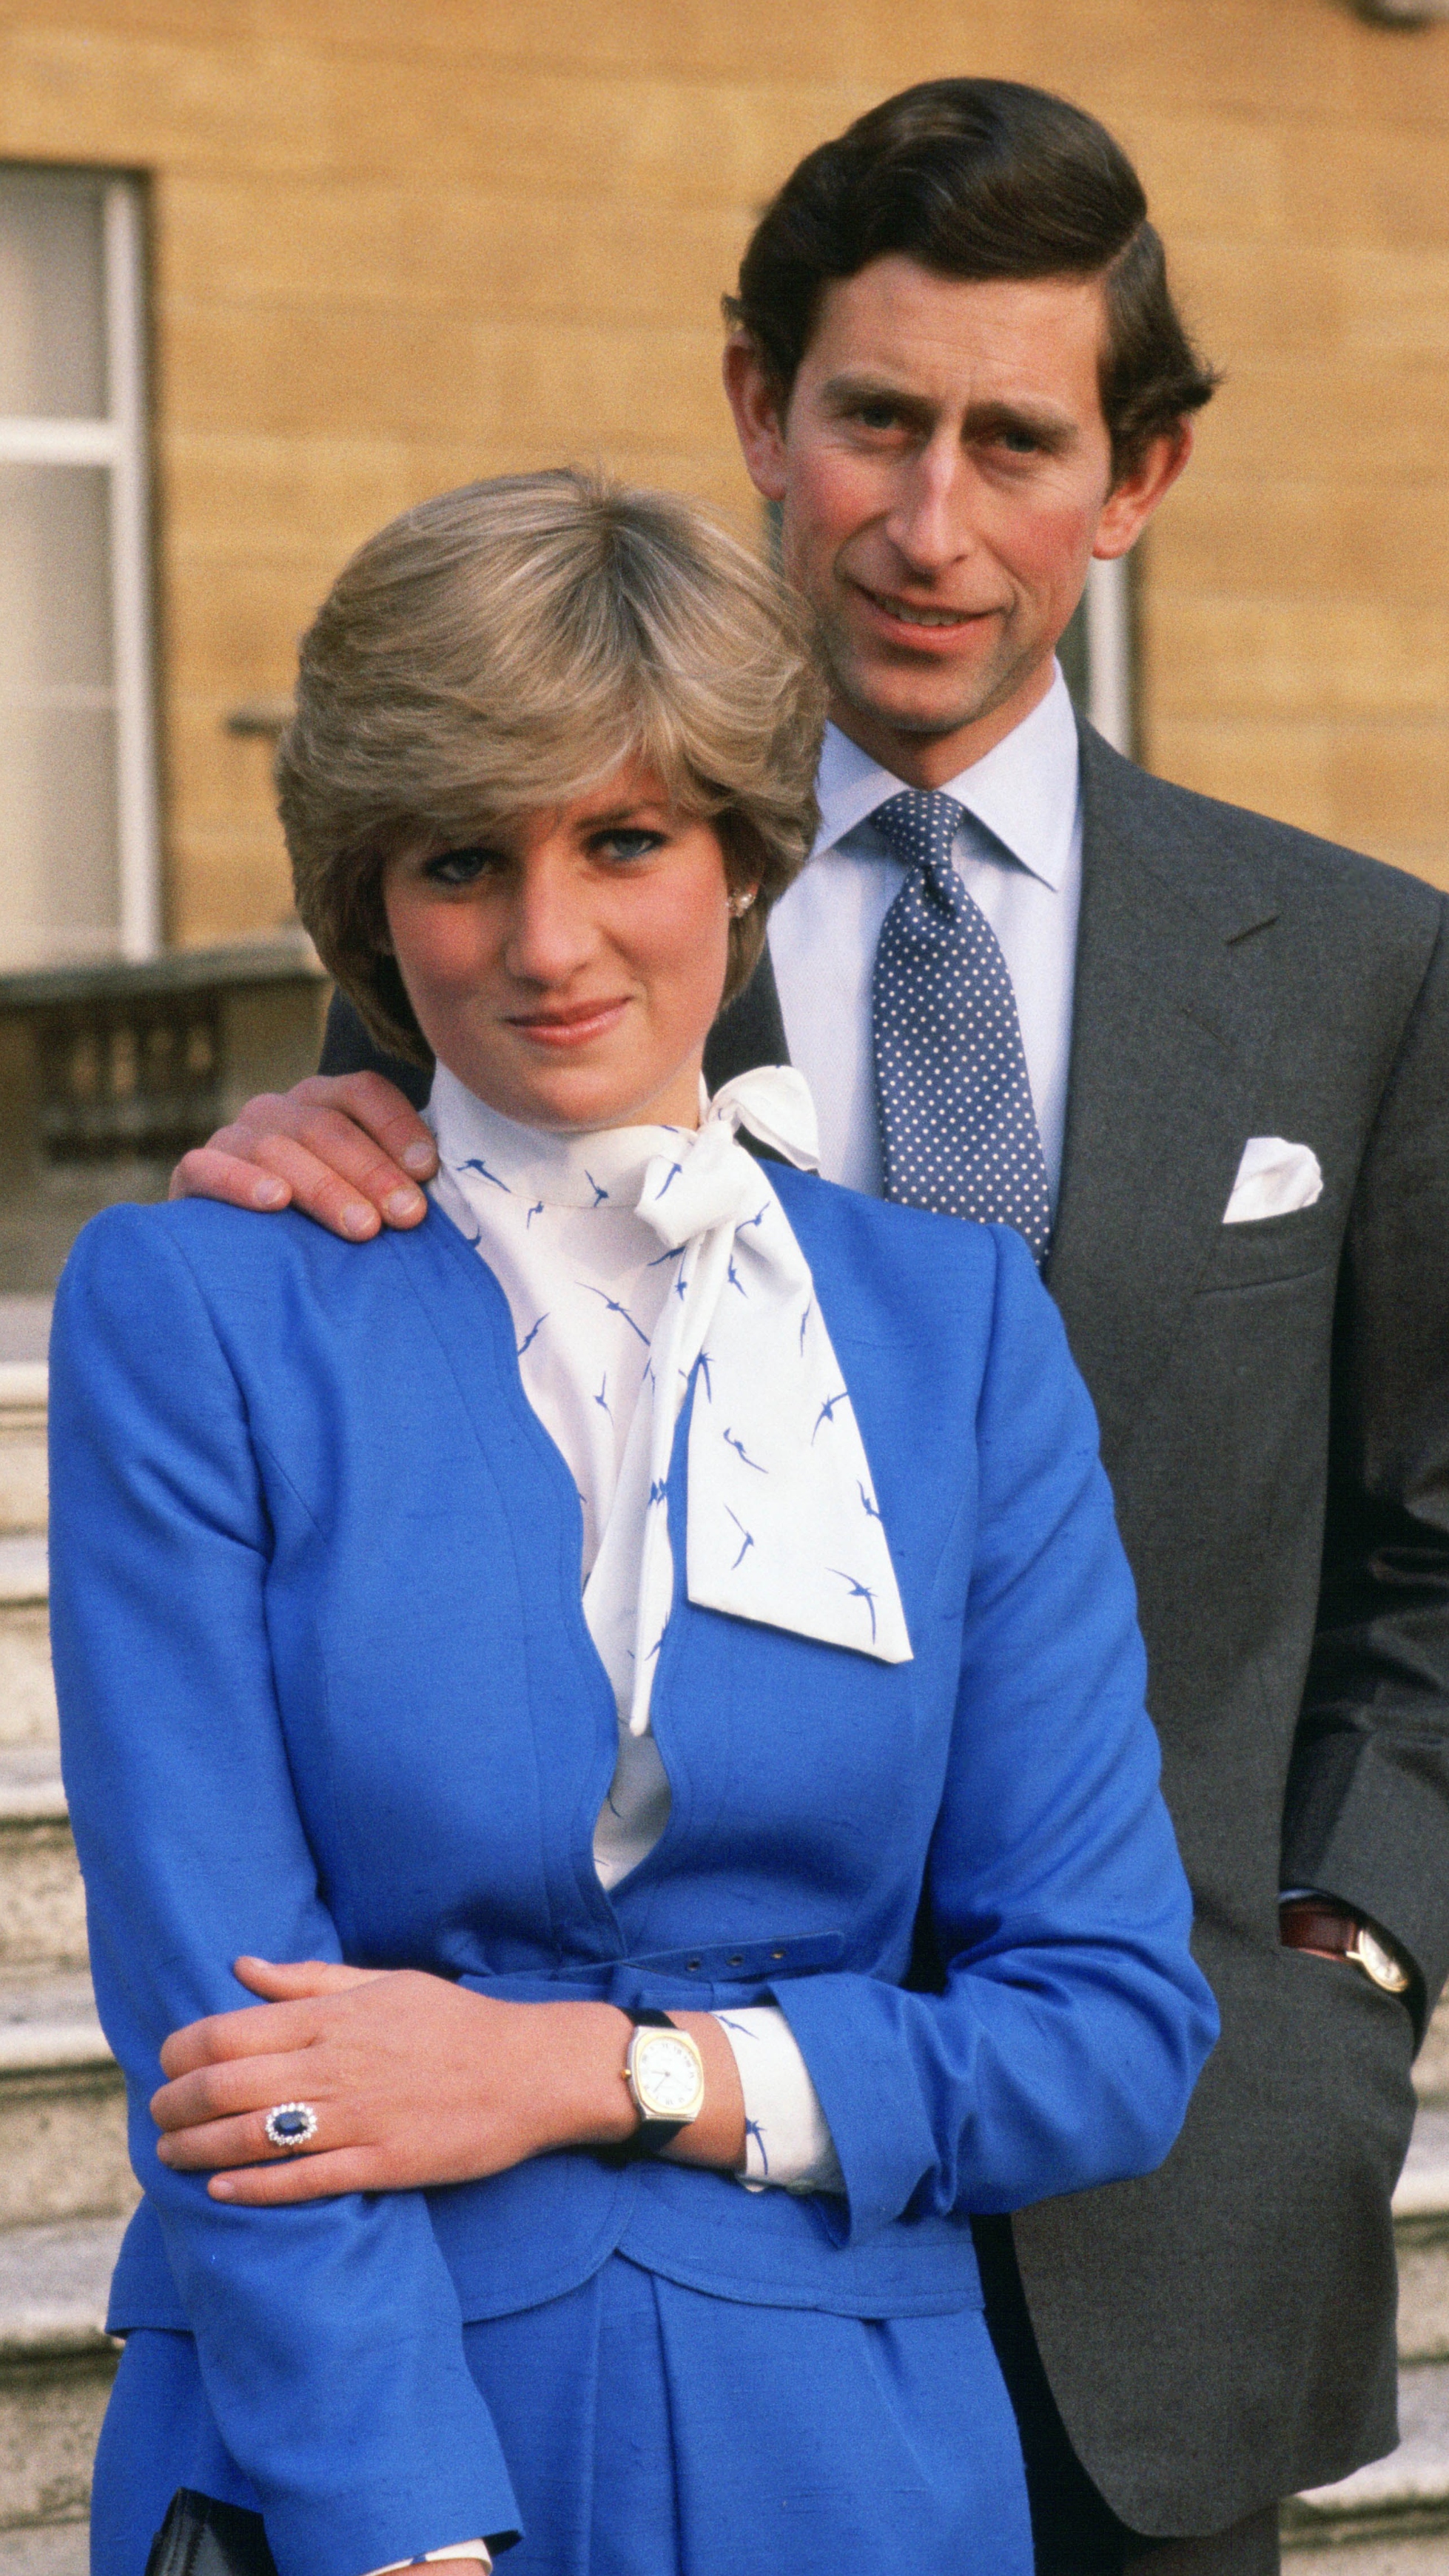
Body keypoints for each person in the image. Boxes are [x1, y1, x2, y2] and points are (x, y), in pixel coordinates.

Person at [178, 79, 1449, 2576]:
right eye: (875, 421)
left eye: (1015, 438)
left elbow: (1439, 1546)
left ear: (1141, 474)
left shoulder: (1367, 974)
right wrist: (291, 1158)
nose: (932, 519)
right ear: (762, 408)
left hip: (1158, 2198)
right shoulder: (545, 921)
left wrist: (1339, 1953)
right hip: (622, 2245)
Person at [52, 471, 1217, 2576]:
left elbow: (1109, 2027)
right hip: (345, 2461)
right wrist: (396, 2526)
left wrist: (606, 2069)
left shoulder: (953, 1332)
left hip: (853, 2475)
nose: (547, 940)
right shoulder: (203, 1306)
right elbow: (227, 2044)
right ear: (367, 901)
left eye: (624, 838)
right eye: (462, 860)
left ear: (748, 854)